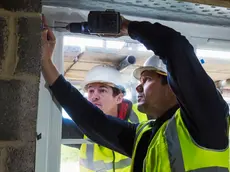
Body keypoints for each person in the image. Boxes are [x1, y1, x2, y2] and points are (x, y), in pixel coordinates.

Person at [41, 14, 229, 171]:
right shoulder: (148, 135)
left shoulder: (207, 121)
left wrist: (125, 27)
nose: (138, 87)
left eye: (146, 80)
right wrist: (46, 63)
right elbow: (92, 120)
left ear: (172, 85)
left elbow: (175, 47)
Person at [62, 64, 147, 172]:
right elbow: (48, 124)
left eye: (102, 90)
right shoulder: (82, 126)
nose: (94, 96)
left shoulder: (143, 116)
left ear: (119, 98)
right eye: (91, 91)